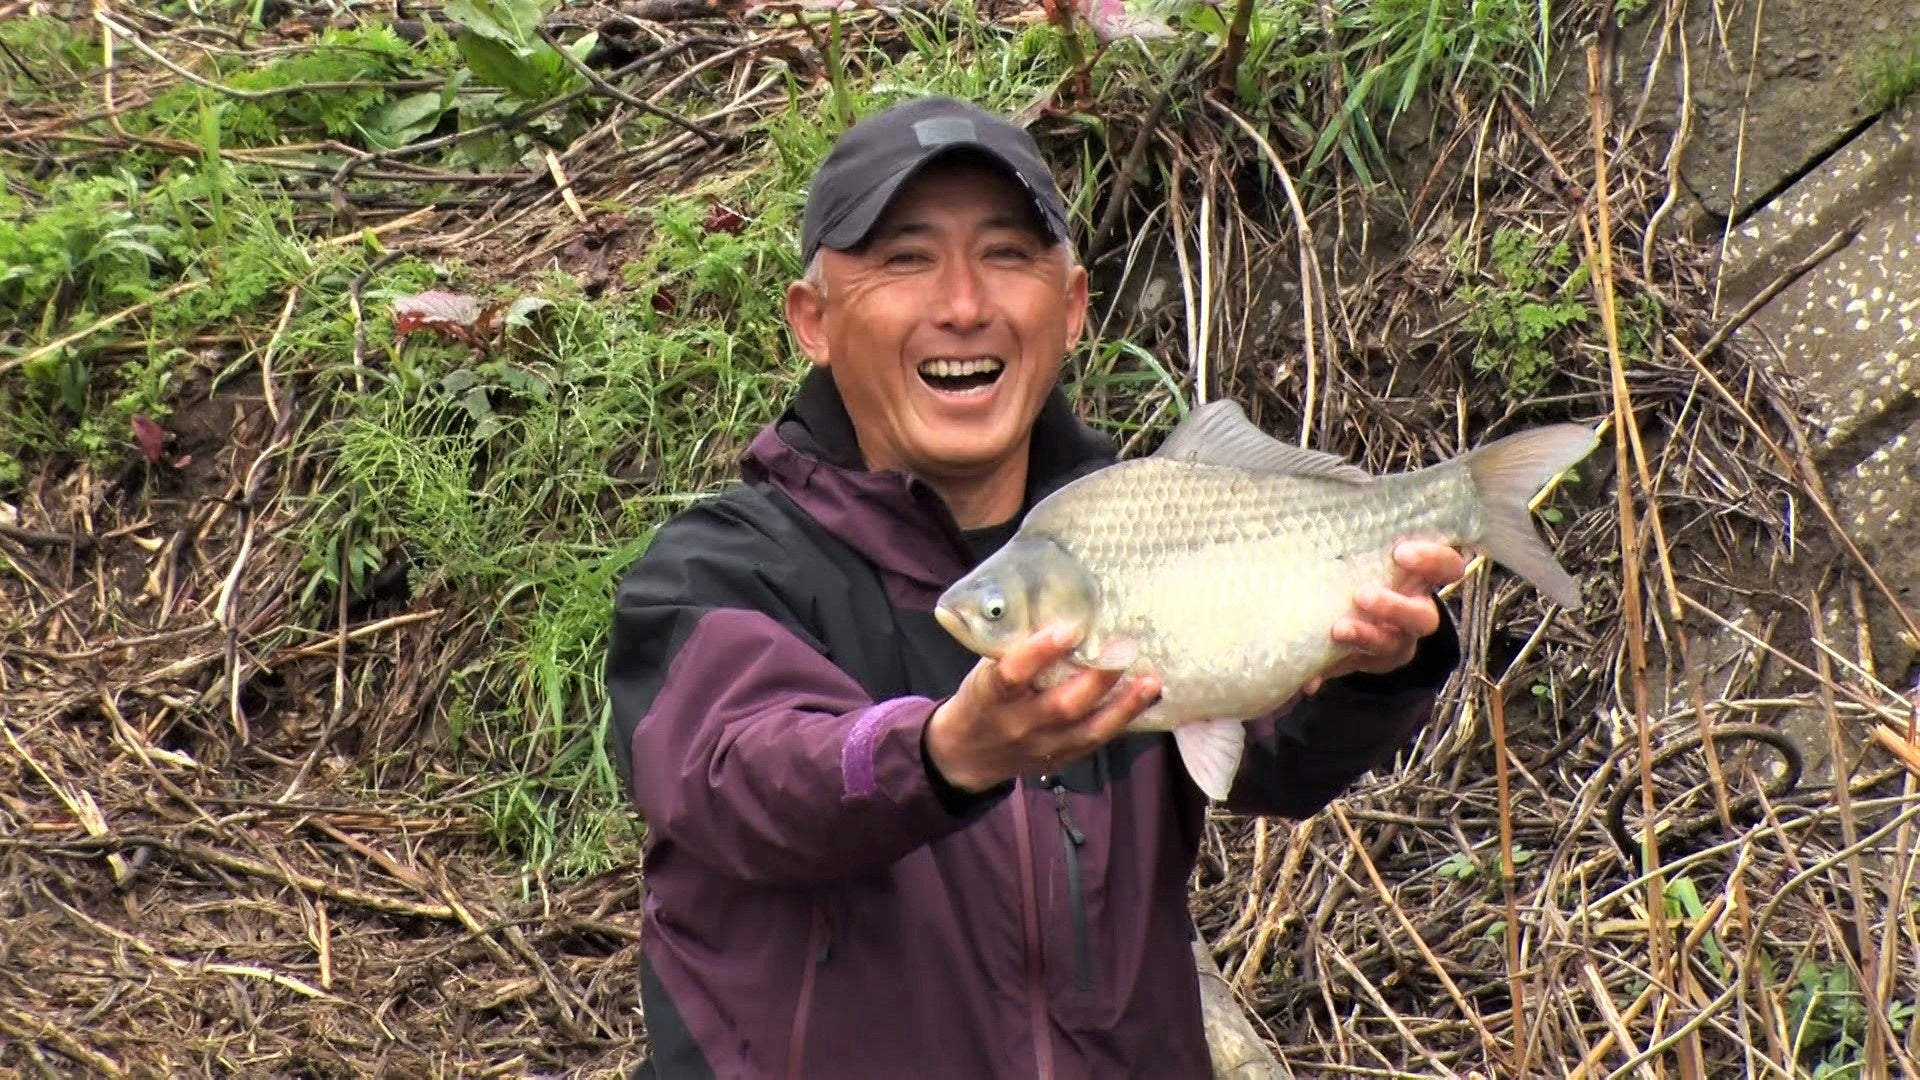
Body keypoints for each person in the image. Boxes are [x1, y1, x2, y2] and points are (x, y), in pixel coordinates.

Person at [605, 95, 1468, 1079]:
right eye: (906, 259)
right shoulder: (714, 572)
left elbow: (1279, 760)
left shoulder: (1140, 534)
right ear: (813, 321)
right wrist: (942, 755)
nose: (964, 303)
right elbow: (745, 778)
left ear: (1070, 310)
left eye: (1009, 256)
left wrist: (1373, 667)